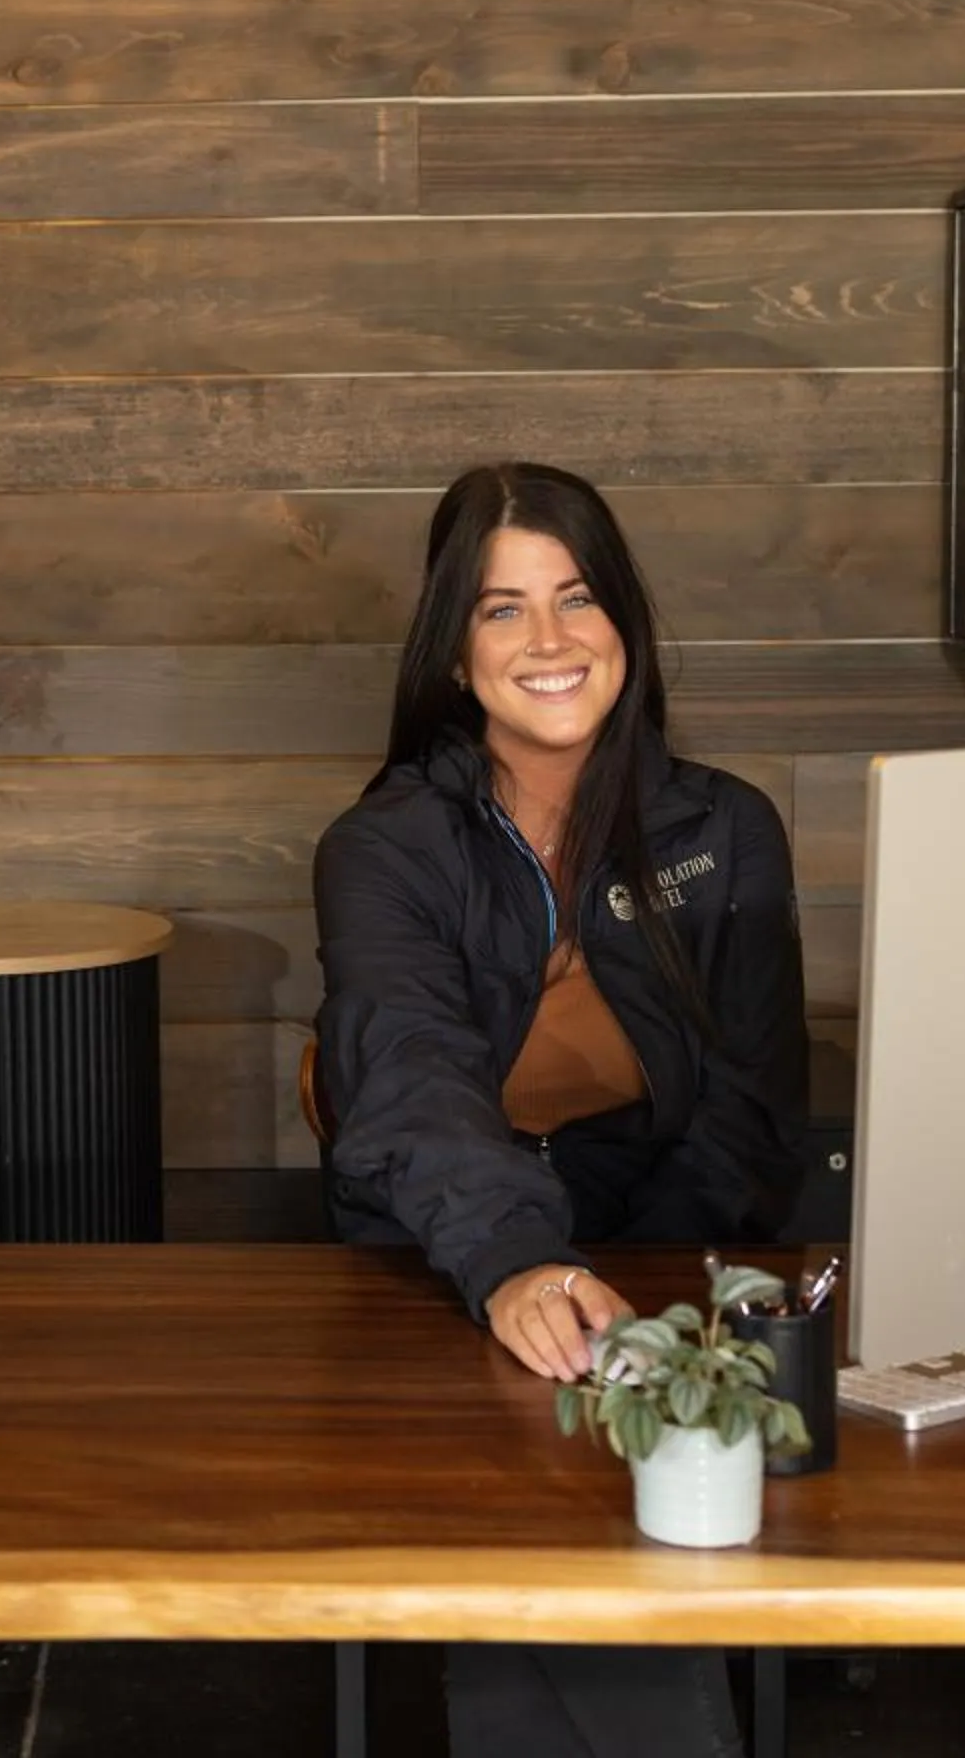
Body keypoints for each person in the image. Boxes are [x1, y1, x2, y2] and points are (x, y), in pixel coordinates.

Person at [312, 461, 810, 1758]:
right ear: (452, 646)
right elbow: (407, 1072)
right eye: (501, 609)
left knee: (650, 1473)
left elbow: (756, 1095)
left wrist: (649, 1295)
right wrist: (522, 1261)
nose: (549, 641)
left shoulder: (729, 828)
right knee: (545, 1505)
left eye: (577, 598)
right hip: (448, 1252)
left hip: (667, 1242)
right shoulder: (386, 848)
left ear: (625, 624)